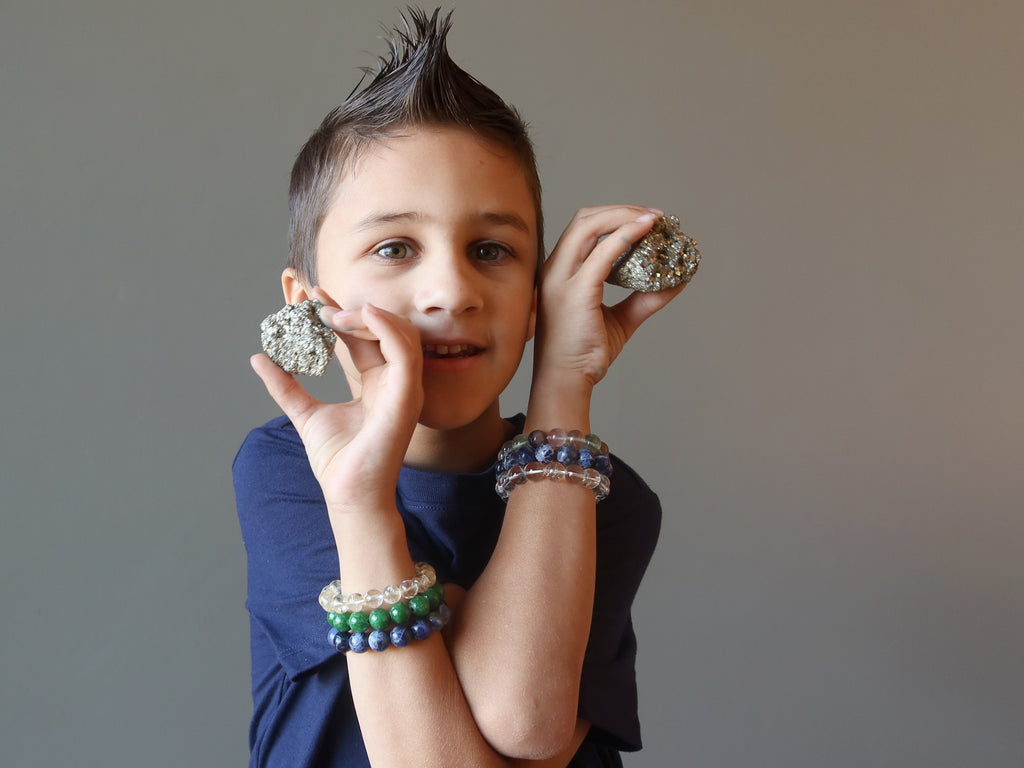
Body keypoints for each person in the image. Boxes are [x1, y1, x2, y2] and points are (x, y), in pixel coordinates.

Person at [233, 8, 686, 767]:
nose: (451, 289)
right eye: (394, 246)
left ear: (539, 293)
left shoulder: (611, 504)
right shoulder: (287, 474)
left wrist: (565, 386)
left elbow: (526, 722)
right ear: (307, 300)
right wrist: (358, 501)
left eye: (490, 249)